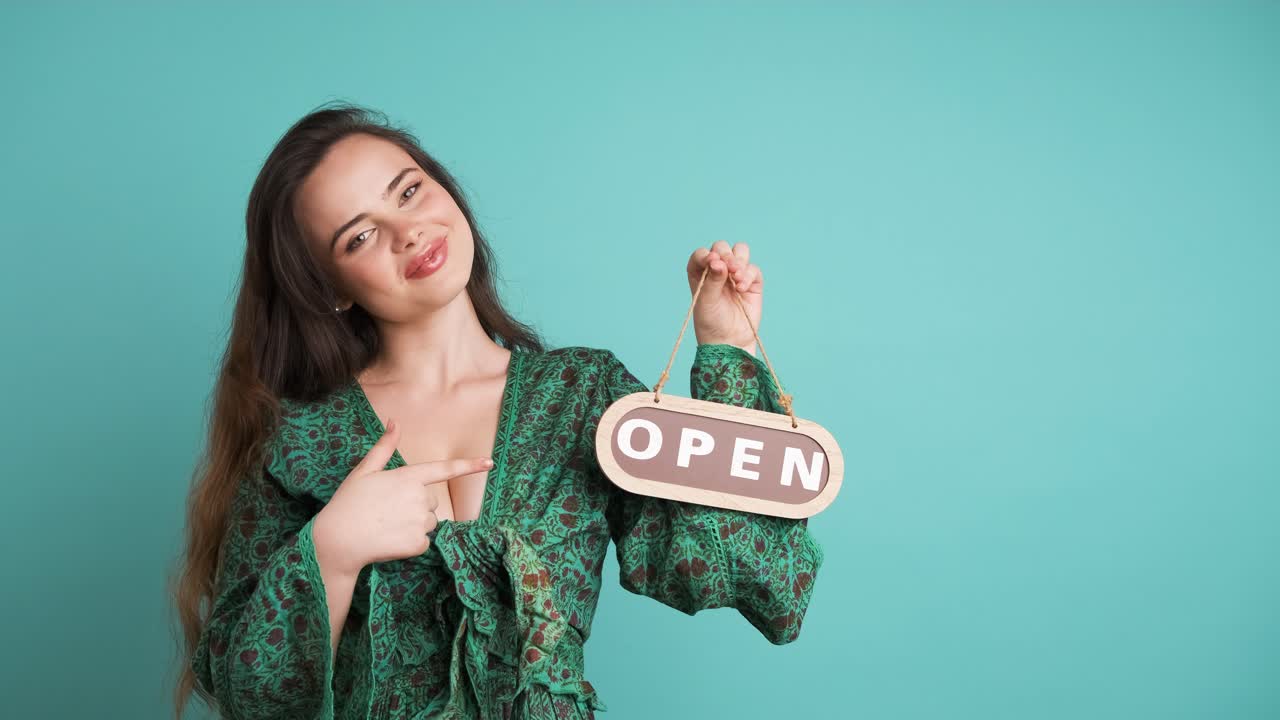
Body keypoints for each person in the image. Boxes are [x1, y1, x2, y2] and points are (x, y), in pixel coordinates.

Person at [171, 102, 825, 720]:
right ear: (331, 289)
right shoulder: (304, 441)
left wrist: (728, 352)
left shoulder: (582, 396)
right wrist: (331, 552)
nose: (409, 231)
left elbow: (755, 579)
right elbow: (246, 694)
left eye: (409, 191)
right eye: (361, 236)